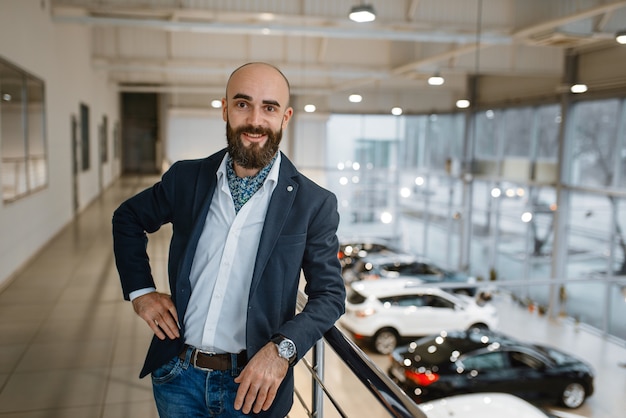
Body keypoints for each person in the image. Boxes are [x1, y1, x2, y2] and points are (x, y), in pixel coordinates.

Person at [112, 62, 346, 417]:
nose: (255, 120)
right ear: (225, 109)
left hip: (255, 387)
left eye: (269, 107)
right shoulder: (186, 178)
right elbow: (127, 218)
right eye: (242, 104)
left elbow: (329, 296)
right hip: (178, 376)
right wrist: (141, 293)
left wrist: (282, 350)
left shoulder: (313, 203)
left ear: (285, 117)